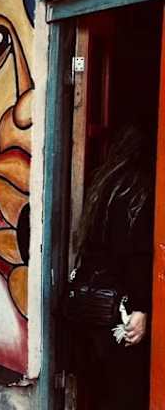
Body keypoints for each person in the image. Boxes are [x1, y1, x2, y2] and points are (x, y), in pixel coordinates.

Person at [73, 123, 154, 410]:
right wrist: (141, 309)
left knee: (101, 389)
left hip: (93, 306)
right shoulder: (139, 189)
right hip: (119, 309)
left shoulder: (105, 183)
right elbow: (135, 254)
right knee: (125, 393)